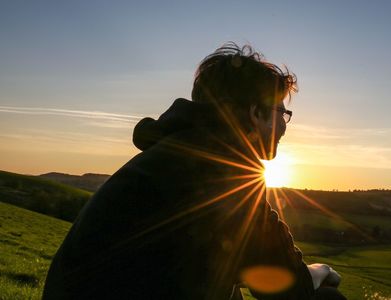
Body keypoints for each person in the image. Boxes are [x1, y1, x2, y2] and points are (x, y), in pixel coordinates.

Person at [43, 42, 346, 299]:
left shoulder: (179, 154)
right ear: (255, 112)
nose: (283, 125)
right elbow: (289, 287)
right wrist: (318, 272)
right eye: (281, 112)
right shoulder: (225, 170)